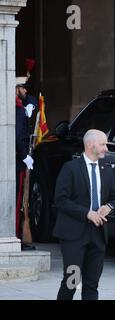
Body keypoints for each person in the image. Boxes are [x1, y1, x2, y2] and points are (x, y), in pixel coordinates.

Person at [53, 129, 115, 300]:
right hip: (73, 234)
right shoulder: (70, 168)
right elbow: (60, 200)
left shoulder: (107, 169)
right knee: (72, 281)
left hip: (97, 234)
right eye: (103, 144)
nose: (106, 148)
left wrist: (108, 207)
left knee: (91, 284)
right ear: (91, 145)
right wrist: (86, 213)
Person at [15, 78, 35, 251]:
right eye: (22, 88)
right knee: (18, 199)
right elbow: (18, 136)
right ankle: (15, 236)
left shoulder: (19, 107)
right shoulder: (19, 111)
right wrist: (24, 157)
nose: (25, 91)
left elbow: (32, 100)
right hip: (17, 161)